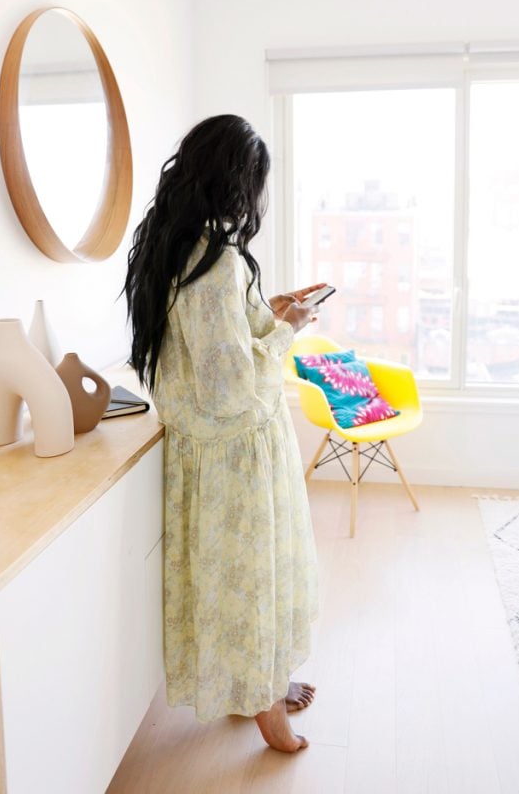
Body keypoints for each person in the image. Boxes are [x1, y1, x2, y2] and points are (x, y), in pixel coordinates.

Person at [124, 114, 320, 753]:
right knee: (252, 578)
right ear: (236, 182)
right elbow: (231, 386)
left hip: (209, 452)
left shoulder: (174, 244)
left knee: (232, 580)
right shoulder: (214, 262)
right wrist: (288, 331)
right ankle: (265, 708)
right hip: (234, 451)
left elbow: (210, 347)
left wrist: (271, 309)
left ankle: (254, 684)